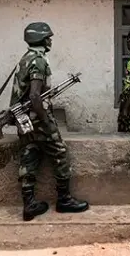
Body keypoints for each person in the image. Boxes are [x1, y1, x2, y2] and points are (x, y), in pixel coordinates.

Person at [11, 22, 89, 221]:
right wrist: (46, 121)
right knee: (60, 153)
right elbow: (35, 96)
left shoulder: (25, 59)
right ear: (40, 39)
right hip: (37, 118)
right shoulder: (39, 61)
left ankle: (29, 205)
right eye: (48, 37)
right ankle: (64, 200)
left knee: (29, 156)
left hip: (24, 119)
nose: (50, 40)